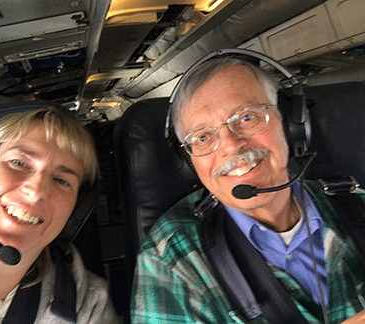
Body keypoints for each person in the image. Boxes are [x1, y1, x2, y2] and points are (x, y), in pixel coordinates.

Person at [130, 55, 365, 323]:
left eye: (246, 117)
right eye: (203, 137)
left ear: (290, 124)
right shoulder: (169, 258)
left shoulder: (357, 203)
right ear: (187, 162)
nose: (231, 145)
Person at [0, 107, 119, 323]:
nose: (36, 192)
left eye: (61, 181)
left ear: (78, 210)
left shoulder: (89, 305)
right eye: (18, 163)